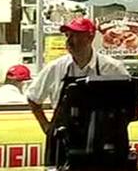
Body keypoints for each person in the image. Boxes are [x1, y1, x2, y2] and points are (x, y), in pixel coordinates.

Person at [26, 18, 129, 162]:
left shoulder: (113, 68)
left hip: (102, 143)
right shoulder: (55, 68)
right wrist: (46, 127)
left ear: (90, 37)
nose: (69, 41)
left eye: (74, 35)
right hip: (64, 141)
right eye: (68, 35)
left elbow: (128, 104)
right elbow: (33, 98)